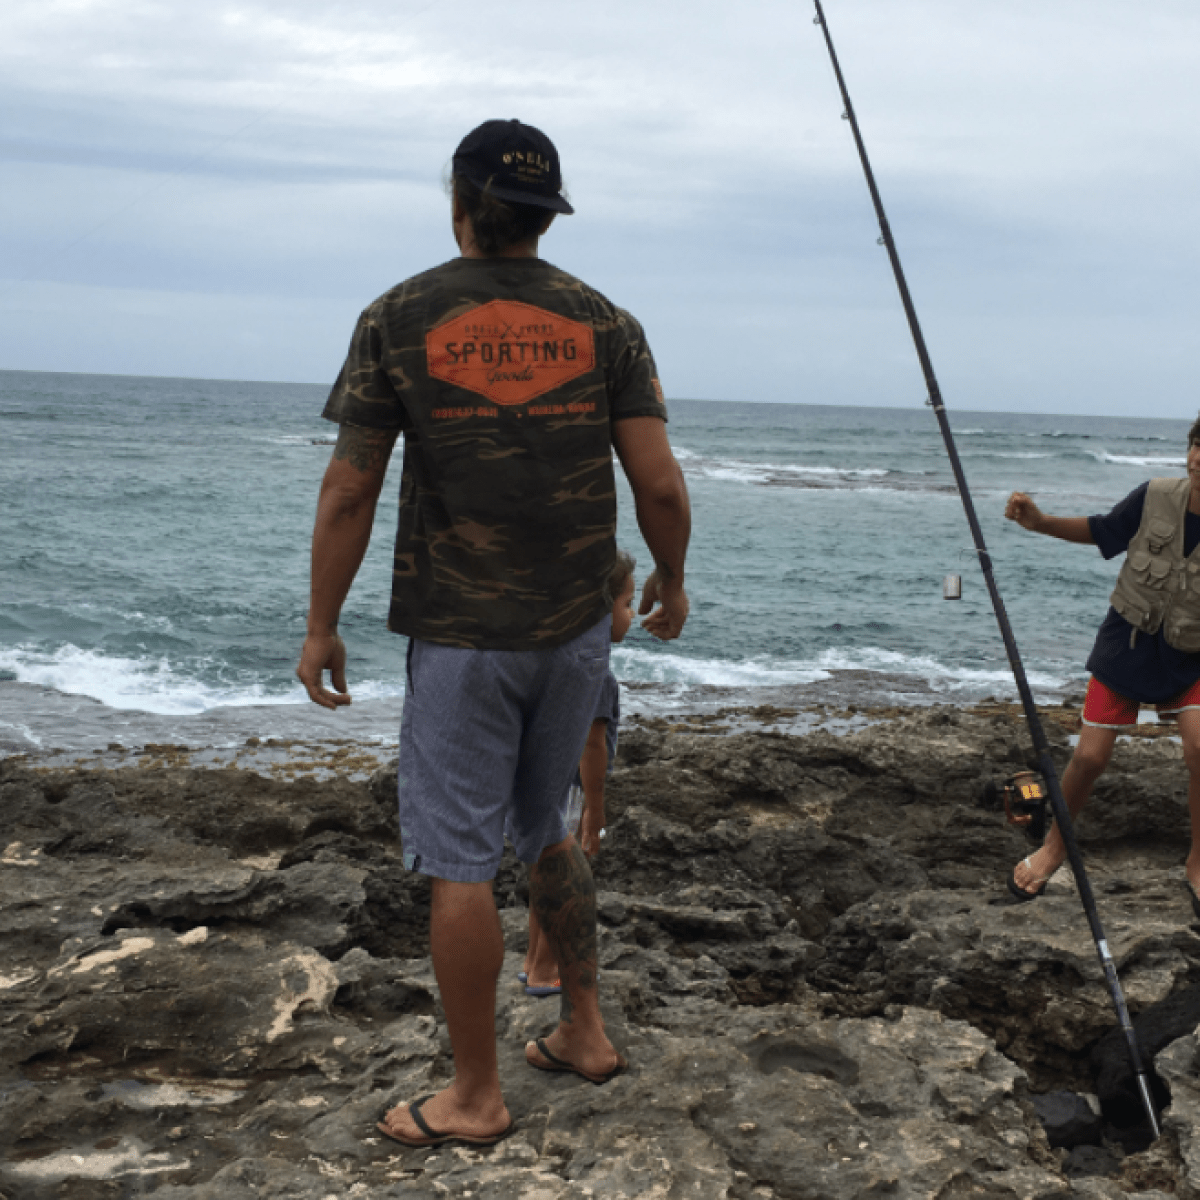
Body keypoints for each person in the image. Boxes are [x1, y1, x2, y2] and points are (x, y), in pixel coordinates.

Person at [295, 119, 691, 1149]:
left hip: (463, 638)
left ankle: (474, 1097)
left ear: (461, 206)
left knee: (459, 862)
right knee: (551, 826)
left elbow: (351, 490)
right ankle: (585, 1032)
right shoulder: (607, 322)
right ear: (545, 215)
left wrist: (321, 624)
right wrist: (674, 581)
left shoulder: (400, 314)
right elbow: (658, 482)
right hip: (574, 636)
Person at [1004, 414, 1200, 912]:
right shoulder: (1154, 494)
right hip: (1127, 646)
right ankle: (1052, 849)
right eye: (1199, 445)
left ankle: (1198, 862)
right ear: (1189, 450)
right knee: (1090, 758)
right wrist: (1040, 523)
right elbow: (1105, 531)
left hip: (1191, 656)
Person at [521, 550, 635, 997]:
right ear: (600, 612)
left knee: (542, 872)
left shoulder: (555, 660)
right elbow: (592, 746)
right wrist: (596, 810)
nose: (632, 615)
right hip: (569, 791)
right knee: (567, 877)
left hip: (541, 786)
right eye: (626, 604)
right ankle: (548, 970)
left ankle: (533, 961)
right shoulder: (597, 675)